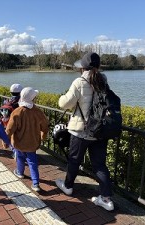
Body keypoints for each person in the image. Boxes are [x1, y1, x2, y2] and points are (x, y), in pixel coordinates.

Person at [55, 52, 114, 211]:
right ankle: (106, 199)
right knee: (100, 165)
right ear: (98, 66)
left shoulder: (79, 82)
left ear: (83, 66)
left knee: (74, 160)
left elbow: (65, 103)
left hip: (80, 130)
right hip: (99, 131)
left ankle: (68, 186)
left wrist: (62, 97)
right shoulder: (103, 81)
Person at [5, 87, 49, 192]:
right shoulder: (38, 112)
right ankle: (35, 183)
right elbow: (45, 126)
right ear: (33, 99)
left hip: (19, 143)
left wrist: (5, 141)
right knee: (33, 162)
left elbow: (9, 129)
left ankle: (20, 173)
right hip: (32, 143)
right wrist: (43, 135)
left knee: (20, 158)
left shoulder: (16, 112)